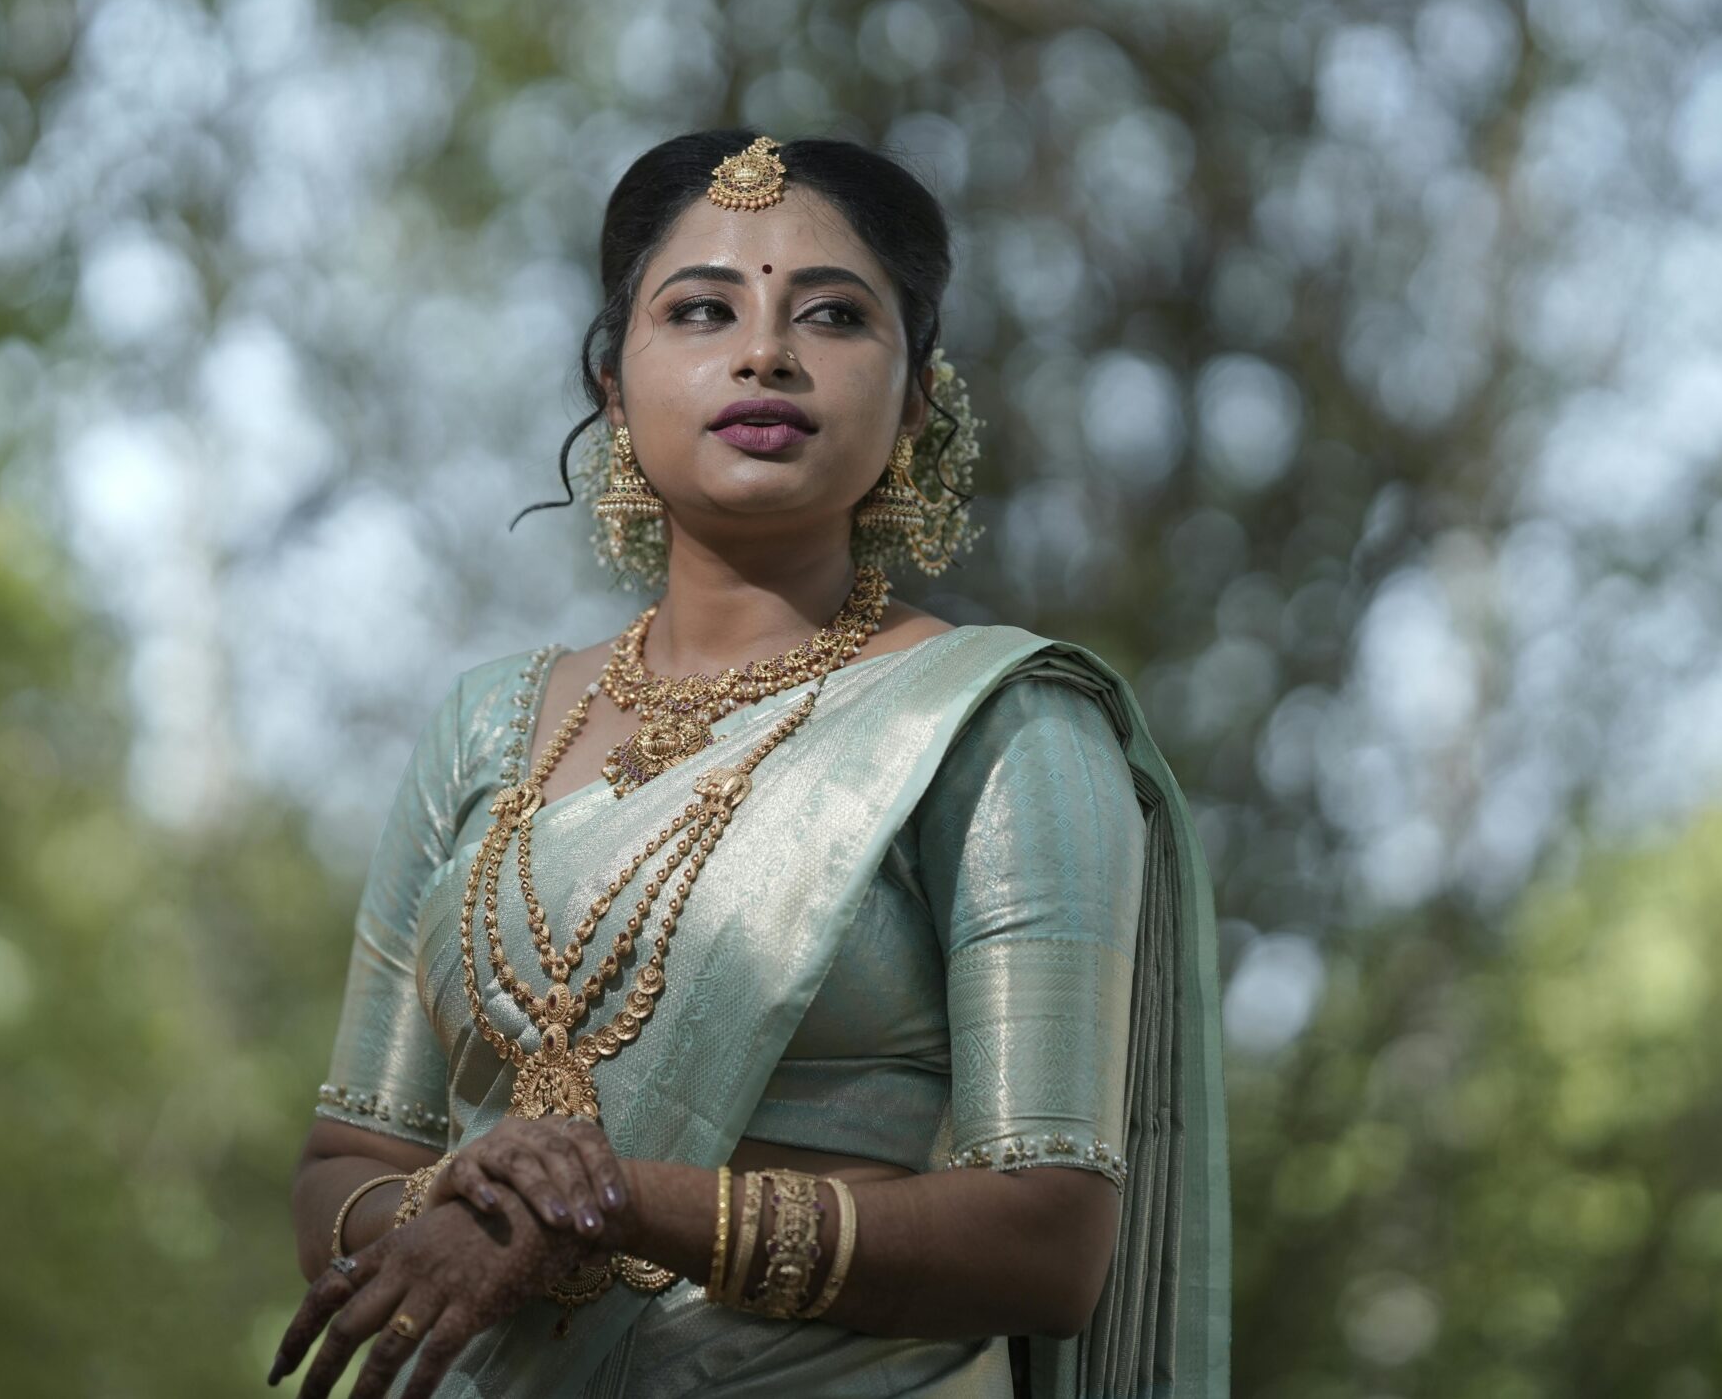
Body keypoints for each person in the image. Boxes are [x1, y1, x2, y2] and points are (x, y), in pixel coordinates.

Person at [268, 131, 1229, 1399]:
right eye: (701, 310)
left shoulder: (993, 726)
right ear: (614, 386)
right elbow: (345, 1164)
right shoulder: (485, 724)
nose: (765, 352)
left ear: (915, 400)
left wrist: (610, 1204)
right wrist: (462, 1205)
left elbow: (1046, 1243)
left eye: (832, 315)